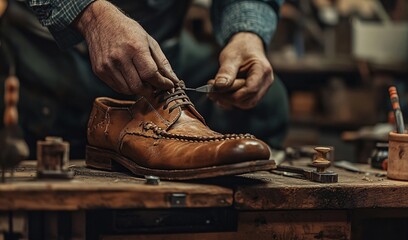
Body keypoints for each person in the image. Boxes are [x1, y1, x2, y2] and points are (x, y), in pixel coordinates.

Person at [1, 0, 289, 158]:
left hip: (162, 55)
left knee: (268, 99)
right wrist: (89, 16)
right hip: (46, 46)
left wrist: (246, 32)